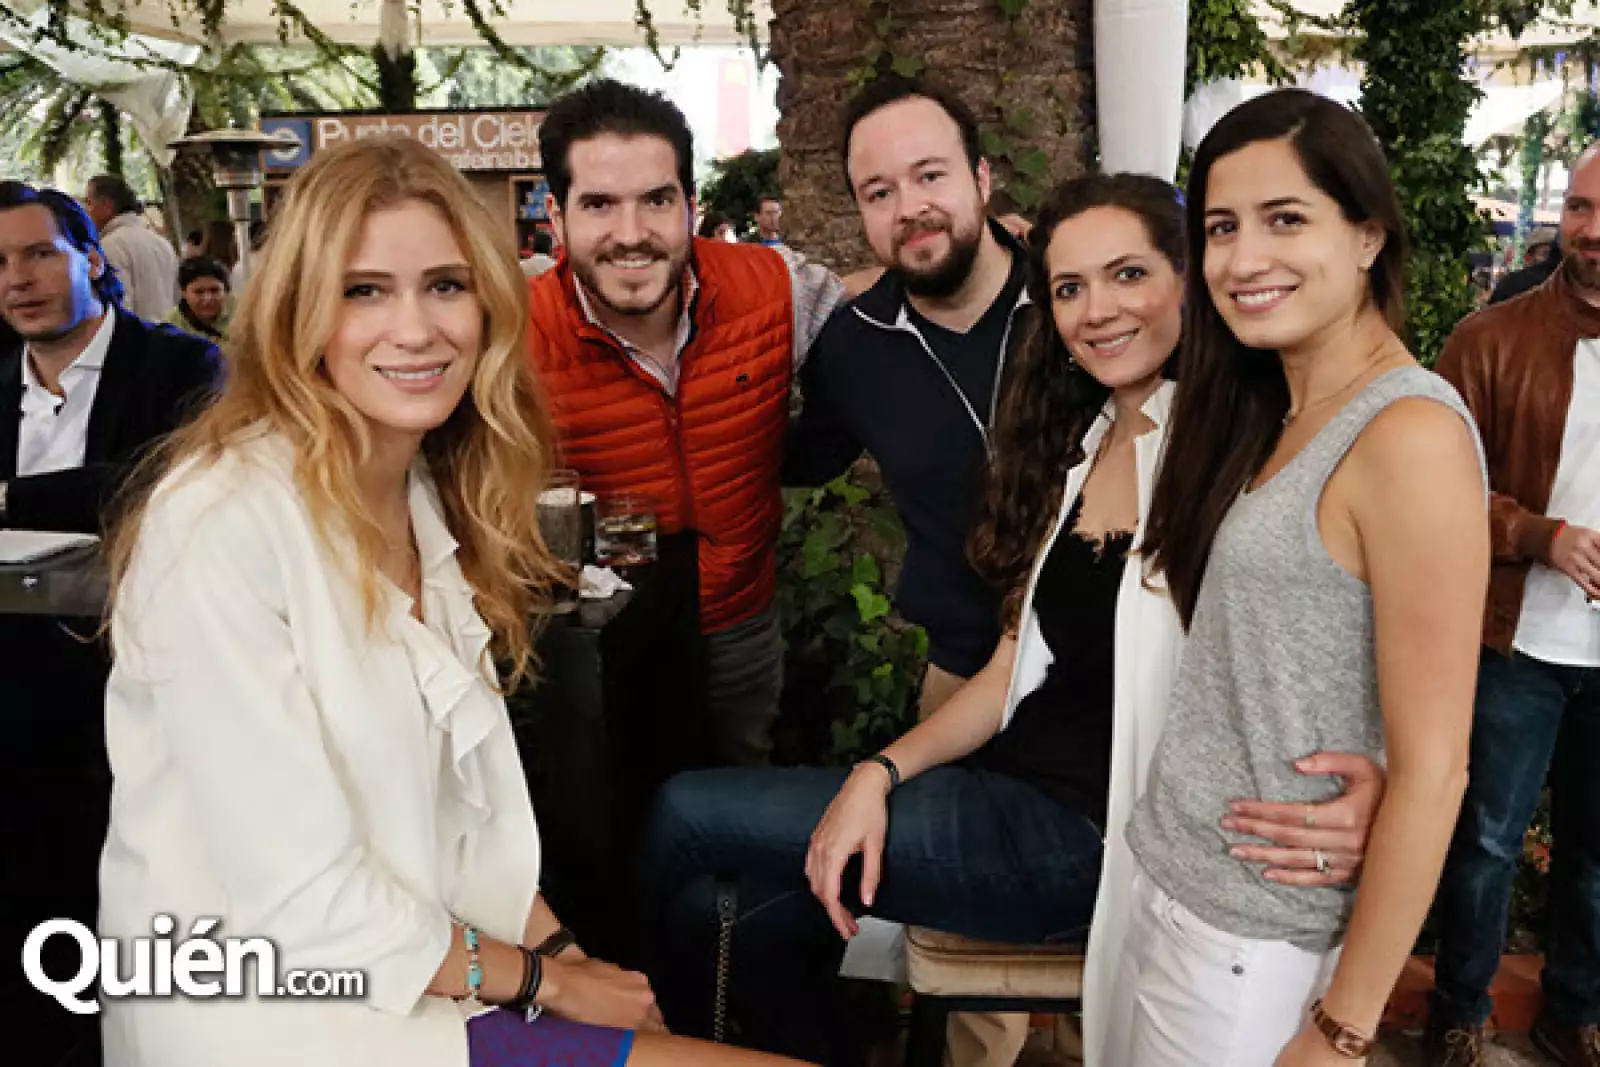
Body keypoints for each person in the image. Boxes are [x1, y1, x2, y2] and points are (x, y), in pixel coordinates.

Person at [641, 172, 1385, 1067]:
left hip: (1086, 842)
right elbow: (1009, 670)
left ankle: (611, 1022)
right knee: (723, 915)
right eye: (1069, 287)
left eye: (1129, 275)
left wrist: (1374, 777)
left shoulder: (1235, 449)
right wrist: (879, 770)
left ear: (1191, 279)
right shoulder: (1089, 442)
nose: (1098, 310)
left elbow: (1336, 620)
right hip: (1007, 791)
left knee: (684, 811)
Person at [97, 135, 801, 1067]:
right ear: (296, 309)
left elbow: (466, 811)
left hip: (425, 975)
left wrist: (565, 952)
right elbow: (302, 897)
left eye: (444, 285)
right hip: (275, 1013)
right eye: (364, 290)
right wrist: (553, 983)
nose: (416, 327)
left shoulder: (423, 491)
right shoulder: (217, 522)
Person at [1112, 88, 1489, 1066]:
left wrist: (1343, 1027)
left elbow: (1437, 766)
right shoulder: (1268, 409)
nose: (1243, 259)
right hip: (1179, 886)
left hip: (1254, 943)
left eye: (1285, 219)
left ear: (1366, 235)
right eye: (1222, 227)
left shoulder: (1408, 435)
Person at [526, 79, 844, 769]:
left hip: (739, 620)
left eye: (657, 200)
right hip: (595, 638)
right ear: (556, 216)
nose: (631, 234)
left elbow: (876, 315)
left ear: (691, 206)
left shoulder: (774, 287)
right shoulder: (511, 332)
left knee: (740, 786)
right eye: (599, 204)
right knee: (603, 803)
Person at [1424, 143, 1600, 1067]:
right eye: (1580, 207)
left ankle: (1575, 1015)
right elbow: (1433, 485)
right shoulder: (1488, 340)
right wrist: (1540, 535)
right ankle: (1458, 1014)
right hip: (1517, 643)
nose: (1591, 230)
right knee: (1486, 843)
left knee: (1597, 853)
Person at [0, 181, 218, 533]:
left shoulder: (183, 365)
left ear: (92, 262)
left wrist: (8, 498)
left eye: (40, 254)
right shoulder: (5, 377)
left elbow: (166, 483)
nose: (17, 280)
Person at [83, 175, 180, 321]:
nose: (85, 210)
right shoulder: (162, 243)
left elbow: (120, 308)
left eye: (89, 203)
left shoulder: (111, 246)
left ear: (107, 206)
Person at [163, 255, 232, 341]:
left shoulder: (240, 313)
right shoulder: (170, 327)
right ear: (184, 293)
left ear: (225, 291)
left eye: (214, 290)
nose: (207, 299)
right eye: (199, 292)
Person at [1490, 226, 1562, 305]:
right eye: (1545, 254)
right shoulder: (1511, 285)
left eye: (1558, 255)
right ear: (1528, 258)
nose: (1553, 260)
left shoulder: (1563, 286)